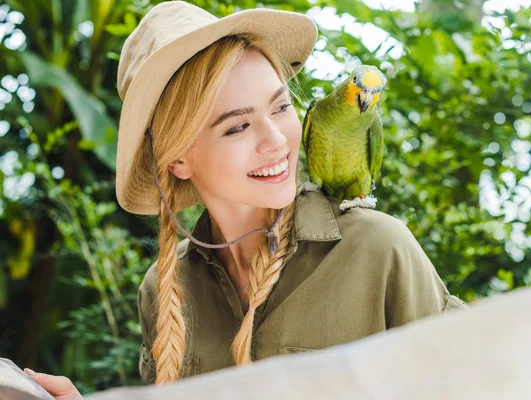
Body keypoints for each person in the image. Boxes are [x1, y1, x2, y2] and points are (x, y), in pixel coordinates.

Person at [23, 1, 468, 397]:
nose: (277, 140)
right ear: (178, 160)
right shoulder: (161, 291)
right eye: (237, 127)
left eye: (280, 108)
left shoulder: (378, 248)